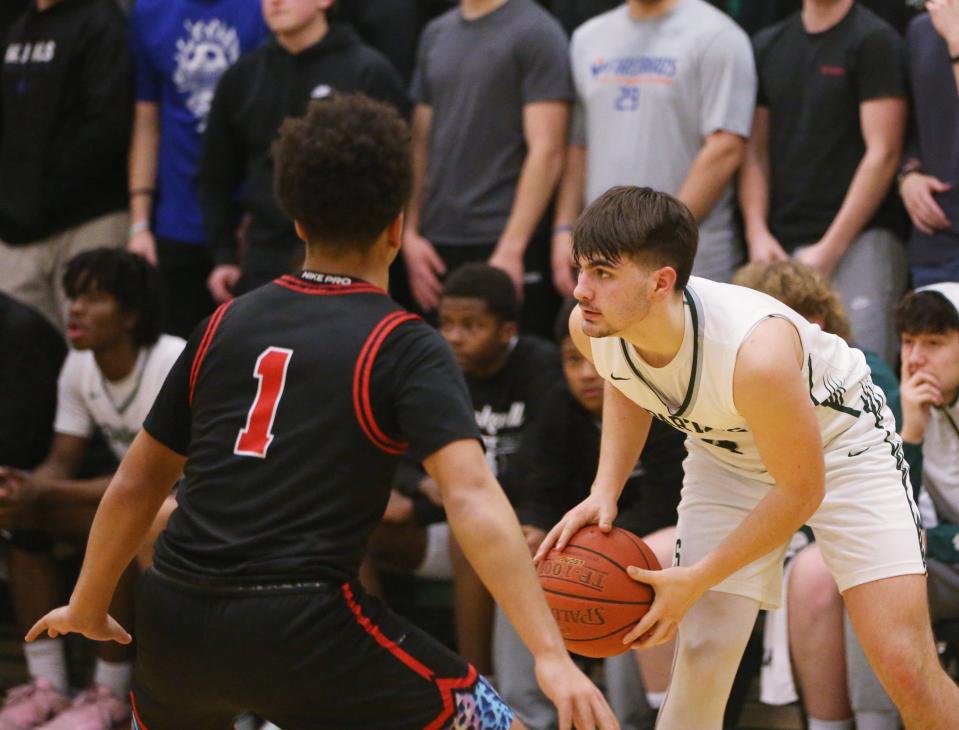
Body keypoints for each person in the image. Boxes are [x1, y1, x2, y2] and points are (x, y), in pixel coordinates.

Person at [26, 94, 617, 730]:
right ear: (397, 225)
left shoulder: (222, 323)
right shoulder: (404, 342)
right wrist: (550, 655)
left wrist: (88, 601)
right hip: (306, 627)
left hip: (175, 617)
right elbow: (472, 498)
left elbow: (137, 483)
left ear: (298, 222)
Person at [534, 186, 957, 730]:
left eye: (602, 273)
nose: (580, 290)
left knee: (905, 668)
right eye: (580, 270)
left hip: (843, 450)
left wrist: (701, 575)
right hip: (727, 454)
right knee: (703, 657)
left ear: (661, 281)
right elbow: (626, 379)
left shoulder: (755, 353)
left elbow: (802, 490)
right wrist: (604, 489)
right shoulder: (593, 326)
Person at [0, 249, 184, 729]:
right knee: (20, 516)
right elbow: (62, 462)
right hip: (134, 499)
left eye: (94, 298)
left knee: (122, 527)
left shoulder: (173, 360)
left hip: (191, 507)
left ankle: (109, 691)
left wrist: (45, 493)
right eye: (73, 297)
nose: (75, 309)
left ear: (131, 315)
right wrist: (19, 487)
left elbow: (173, 480)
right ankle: (48, 685)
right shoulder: (79, 367)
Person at [732, 260, 903, 730]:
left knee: (815, 571)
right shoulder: (736, 382)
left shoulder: (864, 373)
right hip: (773, 529)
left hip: (854, 526)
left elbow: (891, 478)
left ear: (814, 325)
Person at [513, 297, 685, 730]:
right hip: (587, 538)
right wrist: (535, 528)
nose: (587, 373)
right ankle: (529, 714)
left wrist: (592, 546)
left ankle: (631, 718)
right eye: (573, 361)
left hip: (655, 533)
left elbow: (669, 497)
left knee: (626, 576)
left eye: (593, 360)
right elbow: (540, 484)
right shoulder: (556, 408)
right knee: (517, 559)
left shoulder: (659, 402)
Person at [200, 0, 408, 303]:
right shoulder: (241, 77)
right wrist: (223, 256)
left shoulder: (368, 71)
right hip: (264, 258)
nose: (275, 1)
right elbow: (214, 175)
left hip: (347, 257)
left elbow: (397, 174)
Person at [739, 0, 908, 365]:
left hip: (860, 240)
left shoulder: (875, 40)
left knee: (864, 371)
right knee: (781, 372)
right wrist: (756, 231)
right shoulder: (768, 44)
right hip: (780, 243)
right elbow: (754, 150)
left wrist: (830, 248)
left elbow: (884, 153)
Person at [551, 0, 756, 296]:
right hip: (602, 254)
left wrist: (652, 240)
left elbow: (726, 148)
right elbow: (579, 145)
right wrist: (564, 228)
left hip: (688, 257)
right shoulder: (587, 37)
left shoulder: (719, 35)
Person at [403, 0, 572, 336]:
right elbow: (420, 141)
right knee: (440, 375)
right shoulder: (437, 32)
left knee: (510, 372)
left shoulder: (537, 31)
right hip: (435, 243)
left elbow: (548, 149)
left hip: (503, 238)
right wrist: (409, 233)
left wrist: (512, 247)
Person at [127, 0, 268, 337]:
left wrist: (261, 212)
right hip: (177, 221)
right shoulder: (149, 12)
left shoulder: (266, 9)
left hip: (249, 223)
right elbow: (147, 122)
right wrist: (140, 222)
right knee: (180, 357)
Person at [0, 0, 132, 334]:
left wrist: (39, 196)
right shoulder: (15, 25)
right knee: (19, 363)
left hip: (87, 224)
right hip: (16, 234)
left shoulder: (103, 21)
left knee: (91, 357)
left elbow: (107, 128)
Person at [897, 284, 959, 630]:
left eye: (933, 343)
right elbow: (895, 524)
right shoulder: (907, 406)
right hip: (948, 565)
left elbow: (921, 537)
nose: (916, 358)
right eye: (908, 342)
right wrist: (912, 436)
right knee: (873, 577)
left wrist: (931, 541)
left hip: (945, 551)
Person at [899, 0, 959, 287]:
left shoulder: (949, 28)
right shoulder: (921, 28)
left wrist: (957, 40)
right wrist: (909, 173)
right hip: (937, 242)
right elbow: (913, 126)